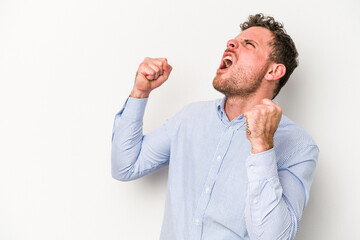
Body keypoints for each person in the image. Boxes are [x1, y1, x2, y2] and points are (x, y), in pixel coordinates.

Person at [111, 13, 319, 240]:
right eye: (233, 41)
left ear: (273, 71)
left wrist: (262, 145)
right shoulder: (190, 117)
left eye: (248, 44)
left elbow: (274, 237)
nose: (230, 44)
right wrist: (140, 92)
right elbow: (125, 166)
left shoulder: (298, 146)